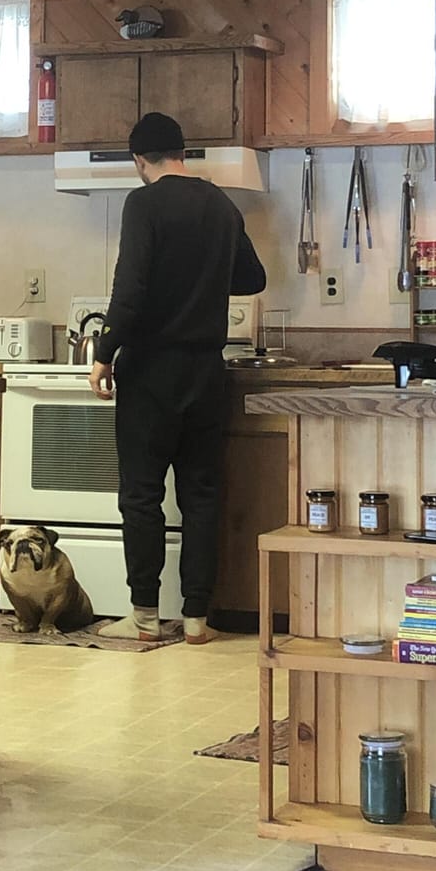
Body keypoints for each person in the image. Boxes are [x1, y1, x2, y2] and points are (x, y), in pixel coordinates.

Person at [89, 112, 266, 645]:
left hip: (150, 371)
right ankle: (196, 618)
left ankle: (143, 617)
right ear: (181, 152)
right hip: (206, 371)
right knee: (202, 493)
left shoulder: (143, 202)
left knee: (141, 494)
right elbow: (253, 277)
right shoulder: (220, 203)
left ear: (139, 160)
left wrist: (105, 351)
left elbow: (132, 286)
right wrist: (205, 273)